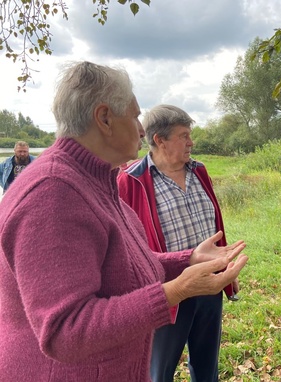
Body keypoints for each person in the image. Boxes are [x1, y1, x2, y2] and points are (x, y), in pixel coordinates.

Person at [0, 61, 248, 382]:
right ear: (104, 118)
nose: (142, 130)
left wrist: (187, 259)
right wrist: (174, 291)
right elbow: (66, 330)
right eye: (134, 116)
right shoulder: (53, 192)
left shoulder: (94, 178)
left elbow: (121, 266)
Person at [118, 104, 236, 382]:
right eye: (184, 135)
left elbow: (214, 223)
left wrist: (225, 268)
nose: (191, 142)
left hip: (209, 284)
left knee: (207, 366)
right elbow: (125, 245)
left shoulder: (200, 171)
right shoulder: (130, 180)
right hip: (168, 291)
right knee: (160, 370)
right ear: (159, 140)